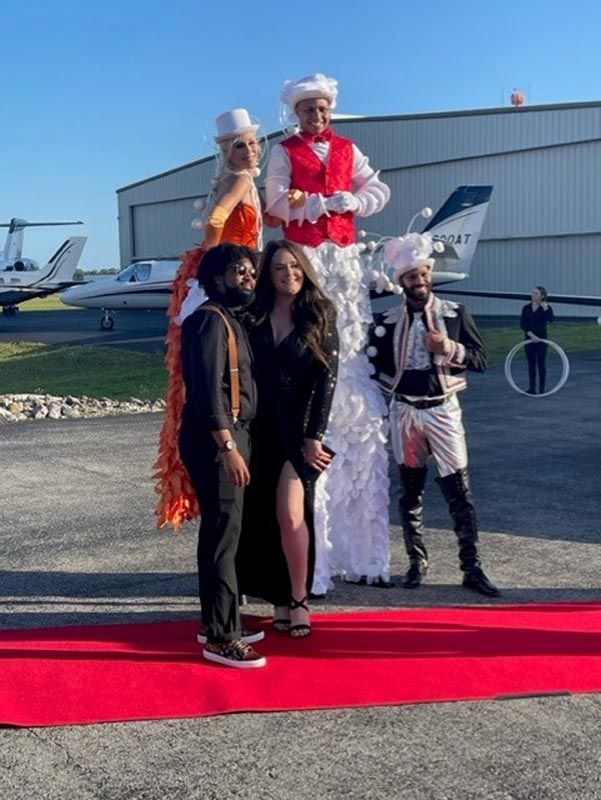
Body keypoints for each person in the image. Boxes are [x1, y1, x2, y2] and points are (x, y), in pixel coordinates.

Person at [265, 73, 392, 594]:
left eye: (322, 109)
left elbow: (377, 189)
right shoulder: (283, 151)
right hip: (304, 257)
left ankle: (361, 553)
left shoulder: (347, 148)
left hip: (342, 257)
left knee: (348, 333)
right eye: (308, 110)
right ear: (297, 114)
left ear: (330, 111)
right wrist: (309, 206)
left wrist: (351, 202)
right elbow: (274, 204)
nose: (316, 117)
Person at [368, 232, 500, 597]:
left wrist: (449, 348)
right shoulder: (388, 321)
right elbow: (370, 367)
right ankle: (416, 562)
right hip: (405, 411)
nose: (420, 281)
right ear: (401, 281)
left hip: (443, 411)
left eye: (424, 274)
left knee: (459, 490)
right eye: (412, 276)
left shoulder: (455, 314)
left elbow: (482, 360)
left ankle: (471, 568)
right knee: (410, 490)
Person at [154, 108, 264, 530]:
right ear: (227, 151)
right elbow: (217, 219)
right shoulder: (238, 180)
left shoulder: (241, 180)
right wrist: (217, 259)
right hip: (228, 273)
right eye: (241, 146)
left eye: (253, 143)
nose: (250, 151)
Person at [237, 240, 338, 636]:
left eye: (295, 266)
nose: (289, 274)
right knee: (263, 516)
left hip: (299, 435)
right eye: (279, 268)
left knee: (292, 514)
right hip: (258, 430)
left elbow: (328, 379)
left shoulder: (320, 312)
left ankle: (299, 599)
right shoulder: (254, 314)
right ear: (268, 274)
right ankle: (278, 598)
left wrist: (316, 435)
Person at [178, 242, 267, 668]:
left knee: (224, 533)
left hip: (229, 436)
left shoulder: (228, 319)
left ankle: (218, 620)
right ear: (216, 278)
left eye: (251, 272)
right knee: (221, 536)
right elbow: (208, 393)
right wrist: (228, 447)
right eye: (239, 272)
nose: (248, 278)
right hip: (218, 440)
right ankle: (221, 637)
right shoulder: (209, 322)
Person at [520, 286, 555, 394]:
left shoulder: (546, 307)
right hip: (529, 338)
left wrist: (545, 308)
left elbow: (551, 319)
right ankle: (532, 387)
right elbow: (523, 324)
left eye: (536, 294)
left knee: (541, 363)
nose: (533, 295)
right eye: (533, 293)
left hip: (542, 339)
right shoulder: (526, 308)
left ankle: (542, 388)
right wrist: (531, 336)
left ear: (542, 296)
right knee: (531, 364)